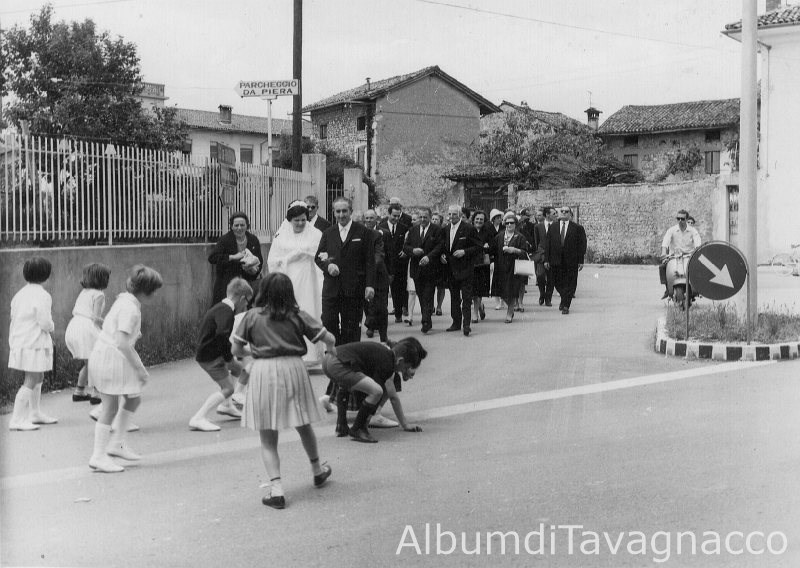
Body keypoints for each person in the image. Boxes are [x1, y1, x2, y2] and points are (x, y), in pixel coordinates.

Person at [231, 273, 337, 509]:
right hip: (294, 368)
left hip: (263, 371)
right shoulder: (297, 315)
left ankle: (277, 489)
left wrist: (256, 350)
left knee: (267, 433)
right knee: (303, 423)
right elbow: (328, 338)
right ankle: (317, 470)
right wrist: (331, 350)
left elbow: (236, 349)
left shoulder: (252, 316)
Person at [88, 265, 163, 473]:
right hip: (112, 358)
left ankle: (117, 443)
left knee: (132, 398)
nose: (156, 295)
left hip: (109, 355)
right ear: (146, 291)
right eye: (154, 291)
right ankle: (99, 455)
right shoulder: (130, 308)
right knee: (110, 407)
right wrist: (139, 368)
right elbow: (122, 342)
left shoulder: (125, 300)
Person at [321, 337, 427, 443]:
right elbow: (376, 393)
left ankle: (341, 426)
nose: (403, 371)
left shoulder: (383, 352)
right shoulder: (388, 364)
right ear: (400, 361)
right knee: (377, 391)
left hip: (328, 359)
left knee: (346, 385)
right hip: (337, 364)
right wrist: (367, 419)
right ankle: (358, 428)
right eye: (405, 368)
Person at [189, 277, 253, 432]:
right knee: (228, 388)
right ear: (242, 298)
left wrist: (230, 358)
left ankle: (226, 405)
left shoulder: (220, 308)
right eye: (247, 302)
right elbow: (221, 335)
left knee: (240, 370)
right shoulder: (227, 312)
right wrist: (229, 357)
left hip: (210, 352)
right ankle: (198, 418)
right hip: (211, 357)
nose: (246, 306)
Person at [267, 201, 325, 365]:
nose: (300, 223)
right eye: (296, 220)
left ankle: (311, 354)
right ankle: (288, 351)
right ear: (290, 220)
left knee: (307, 310)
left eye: (303, 220)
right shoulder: (281, 236)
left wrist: (307, 254)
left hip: (309, 280)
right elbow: (273, 260)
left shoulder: (316, 234)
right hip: (288, 279)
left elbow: (321, 255)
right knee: (288, 313)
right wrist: (289, 258)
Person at [315, 196, 376, 345]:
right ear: (334, 212)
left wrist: (370, 285)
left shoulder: (363, 232)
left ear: (350, 211)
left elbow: (370, 261)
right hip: (331, 288)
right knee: (328, 321)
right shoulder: (328, 233)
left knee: (352, 327)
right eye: (338, 211)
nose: (341, 215)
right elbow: (319, 257)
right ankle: (336, 351)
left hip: (353, 288)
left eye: (344, 211)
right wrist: (328, 265)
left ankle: (350, 354)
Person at [8, 257, 57, 431]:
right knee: (32, 378)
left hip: (22, 342)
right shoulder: (43, 295)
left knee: (39, 376)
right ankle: (17, 419)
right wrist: (52, 327)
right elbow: (45, 322)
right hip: (33, 343)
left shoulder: (19, 294)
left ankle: (34, 413)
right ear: (46, 275)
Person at [65, 263, 111, 405]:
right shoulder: (99, 295)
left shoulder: (84, 292)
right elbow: (96, 318)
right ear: (102, 279)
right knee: (99, 361)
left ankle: (79, 391)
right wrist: (110, 325)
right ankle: (97, 393)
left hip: (74, 326)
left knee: (89, 362)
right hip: (87, 328)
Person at [441, 204, 483, 336]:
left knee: (466, 298)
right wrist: (442, 255)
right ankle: (456, 322)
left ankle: (466, 324)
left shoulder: (468, 228)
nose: (451, 216)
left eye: (454, 214)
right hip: (451, 269)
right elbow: (443, 246)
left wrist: (464, 251)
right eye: (449, 214)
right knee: (454, 297)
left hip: (465, 268)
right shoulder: (446, 229)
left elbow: (478, 247)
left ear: (460, 215)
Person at [403, 207, 443, 334]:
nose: (422, 219)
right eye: (420, 217)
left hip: (431, 269)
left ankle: (425, 321)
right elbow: (405, 246)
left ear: (430, 217)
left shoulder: (436, 230)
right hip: (417, 268)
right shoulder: (413, 230)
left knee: (428, 294)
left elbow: (440, 246)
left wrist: (429, 257)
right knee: (421, 295)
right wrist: (413, 251)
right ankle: (427, 318)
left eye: (425, 217)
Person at [208, 212, 263, 304]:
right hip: (226, 284)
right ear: (231, 227)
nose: (239, 228)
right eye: (236, 225)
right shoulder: (224, 240)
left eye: (242, 225)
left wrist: (254, 271)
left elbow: (260, 261)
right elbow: (212, 258)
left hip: (247, 283)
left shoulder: (253, 240)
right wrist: (232, 257)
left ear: (247, 226)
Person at [544, 206, 587, 315]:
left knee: (570, 283)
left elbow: (582, 245)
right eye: (561, 211)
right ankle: (564, 298)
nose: (563, 213)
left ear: (570, 215)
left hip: (571, 260)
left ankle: (566, 305)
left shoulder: (577, 228)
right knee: (557, 282)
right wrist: (546, 259)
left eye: (566, 211)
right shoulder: (553, 227)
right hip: (555, 260)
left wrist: (581, 260)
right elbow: (548, 244)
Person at [493, 211, 531, 323]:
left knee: (512, 291)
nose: (509, 225)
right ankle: (511, 306)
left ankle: (509, 312)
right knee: (501, 292)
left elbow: (524, 252)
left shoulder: (520, 237)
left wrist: (514, 250)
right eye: (507, 223)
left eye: (512, 223)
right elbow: (494, 251)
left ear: (515, 224)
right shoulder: (499, 236)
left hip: (514, 267)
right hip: (501, 267)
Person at [362, 209, 391, 342]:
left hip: (379, 275)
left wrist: (390, 273)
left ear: (376, 219)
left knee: (381, 307)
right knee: (368, 304)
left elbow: (382, 255)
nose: (368, 221)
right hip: (363, 275)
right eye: (366, 218)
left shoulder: (379, 235)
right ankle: (371, 325)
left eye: (371, 218)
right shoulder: (359, 233)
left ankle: (383, 337)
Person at [660, 209, 701, 299]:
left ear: (686, 219)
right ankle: (667, 288)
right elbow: (665, 243)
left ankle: (698, 287)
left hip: (689, 256)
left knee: (699, 267)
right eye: (678, 218)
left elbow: (697, 243)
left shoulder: (693, 231)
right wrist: (663, 253)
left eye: (682, 219)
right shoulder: (672, 230)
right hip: (673, 256)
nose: (680, 221)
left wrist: (697, 251)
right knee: (662, 267)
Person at [379, 202, 409, 323]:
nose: (396, 218)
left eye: (398, 216)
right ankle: (383, 316)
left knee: (398, 290)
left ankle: (398, 313)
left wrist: (405, 251)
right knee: (383, 291)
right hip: (384, 263)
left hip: (399, 263)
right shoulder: (381, 227)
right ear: (388, 214)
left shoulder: (404, 228)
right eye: (394, 216)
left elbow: (408, 242)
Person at [469, 210, 492, 323]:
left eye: (481, 219)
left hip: (482, 264)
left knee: (479, 290)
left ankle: (475, 313)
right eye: (477, 219)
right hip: (470, 263)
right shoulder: (468, 230)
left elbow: (493, 245)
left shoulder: (488, 232)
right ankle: (479, 307)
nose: (479, 221)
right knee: (472, 290)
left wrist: (488, 246)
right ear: (473, 220)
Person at [533, 207, 557, 306]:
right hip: (541, 255)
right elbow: (536, 242)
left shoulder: (557, 226)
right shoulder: (538, 227)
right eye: (554, 213)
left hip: (553, 255)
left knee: (551, 278)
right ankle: (542, 293)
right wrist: (538, 253)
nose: (556, 215)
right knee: (540, 275)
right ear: (547, 215)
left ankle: (548, 298)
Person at [515, 208, 536, 311]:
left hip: (522, 258)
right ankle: (515, 302)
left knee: (522, 282)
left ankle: (520, 302)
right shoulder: (509, 232)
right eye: (522, 222)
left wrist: (528, 245)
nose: (524, 224)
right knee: (514, 283)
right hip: (512, 259)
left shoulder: (525, 232)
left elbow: (531, 243)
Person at [430, 212, 448, 316]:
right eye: (432, 219)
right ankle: (431, 305)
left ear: (440, 221)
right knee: (430, 285)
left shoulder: (444, 231)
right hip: (431, 260)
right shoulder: (429, 230)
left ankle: (439, 306)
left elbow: (446, 245)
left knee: (441, 286)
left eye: (436, 219)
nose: (434, 221)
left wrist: (443, 255)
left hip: (441, 261)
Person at [404, 212, 420, 326]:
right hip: (413, 262)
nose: (412, 221)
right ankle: (410, 316)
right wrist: (411, 251)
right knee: (412, 291)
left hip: (424, 263)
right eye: (412, 219)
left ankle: (426, 316)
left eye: (415, 219)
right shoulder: (409, 232)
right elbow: (406, 246)